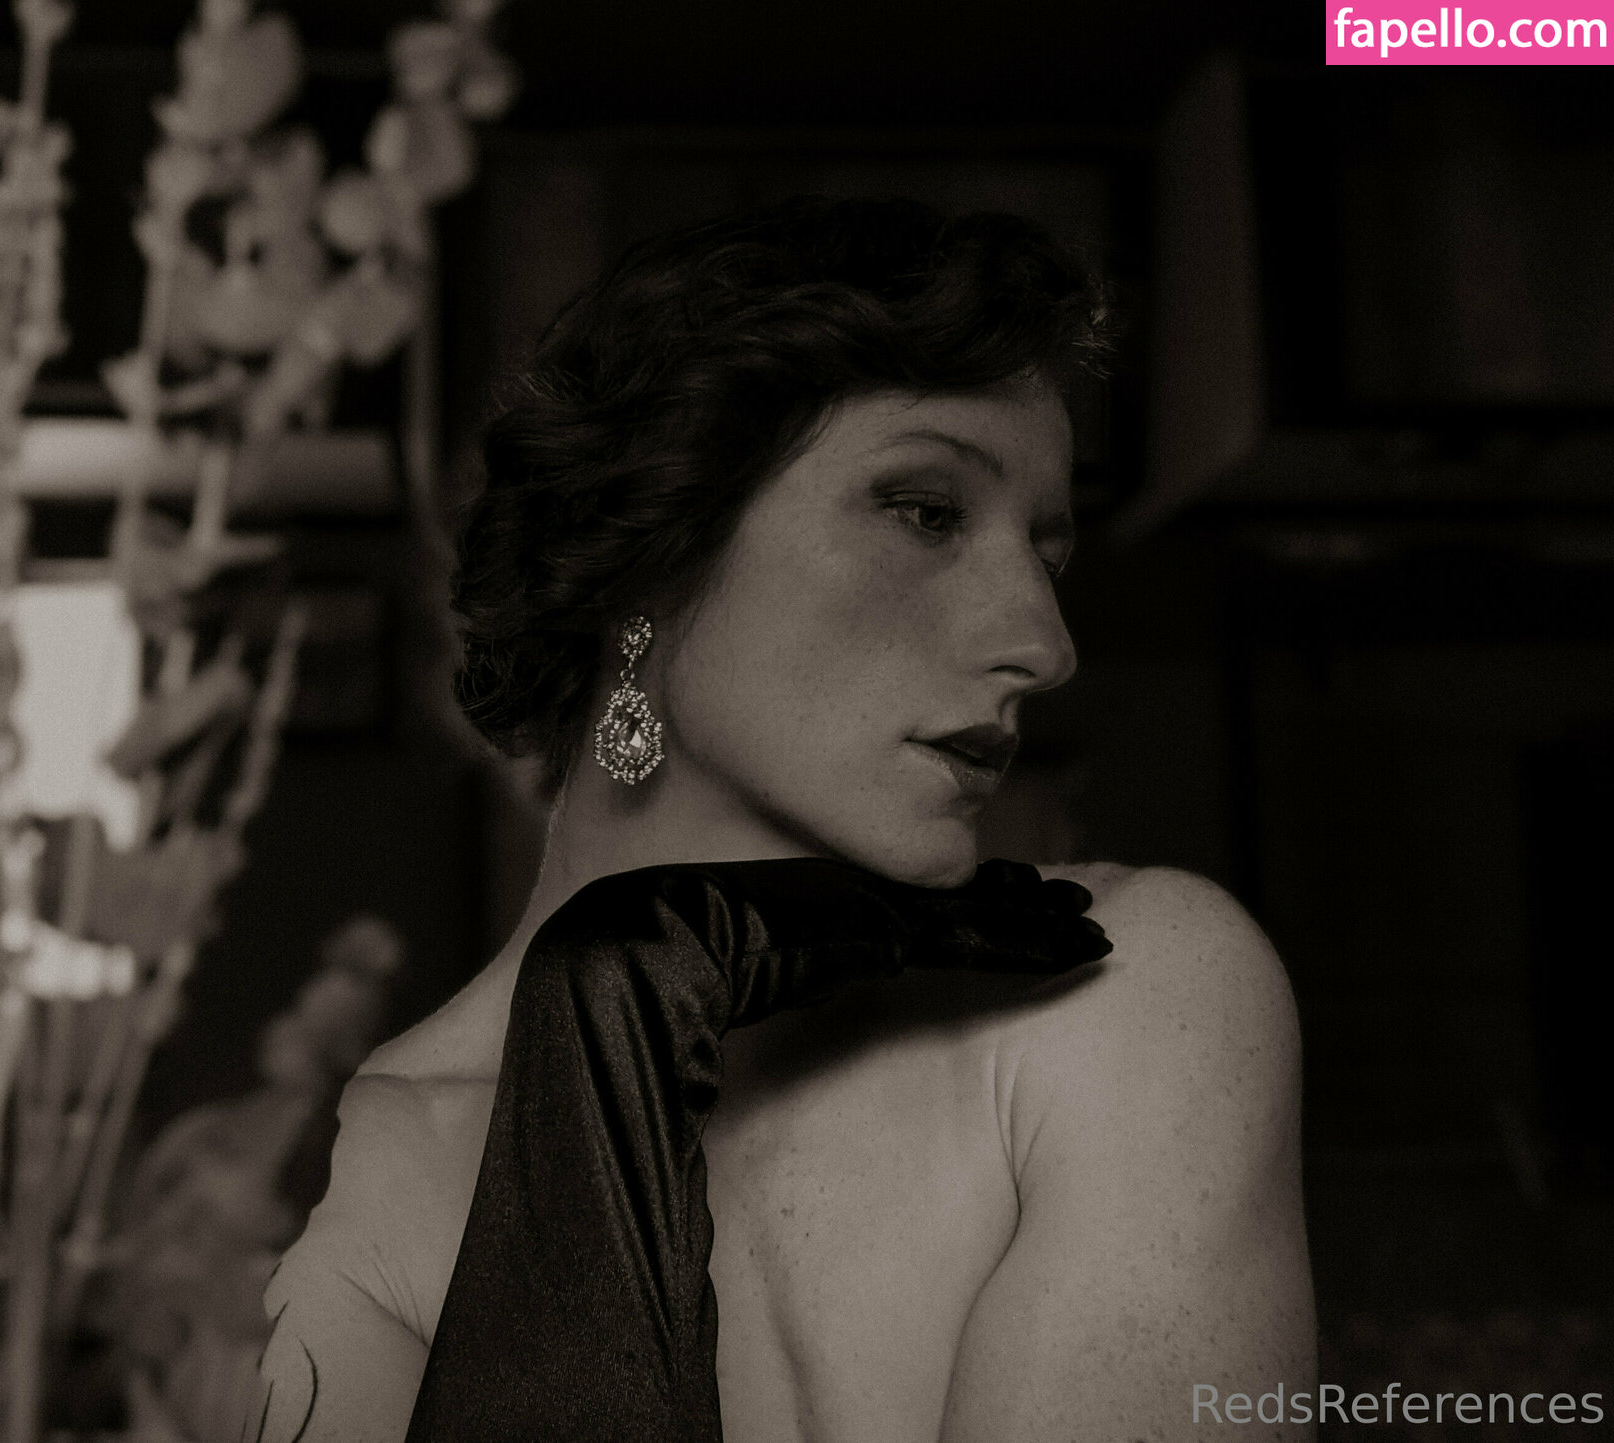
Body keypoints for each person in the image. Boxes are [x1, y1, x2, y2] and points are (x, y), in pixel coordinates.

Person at [252, 196, 1315, 1442]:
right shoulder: (376, 1163)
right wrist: (606, 1038)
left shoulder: (1122, 985)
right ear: (652, 552)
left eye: (1048, 551)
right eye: (926, 511)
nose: (1045, 644)